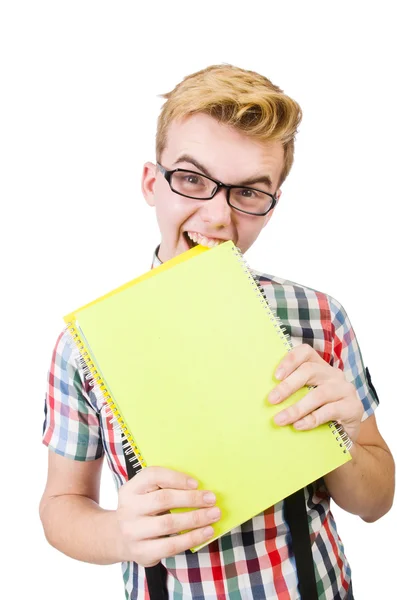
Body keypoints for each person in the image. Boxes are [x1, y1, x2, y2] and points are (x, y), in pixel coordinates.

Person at [40, 64, 395, 600]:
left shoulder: (320, 317)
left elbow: (376, 500)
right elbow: (60, 506)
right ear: (151, 183)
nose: (217, 217)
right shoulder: (86, 346)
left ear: (272, 206)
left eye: (250, 193)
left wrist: (338, 438)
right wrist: (118, 533)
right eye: (191, 179)